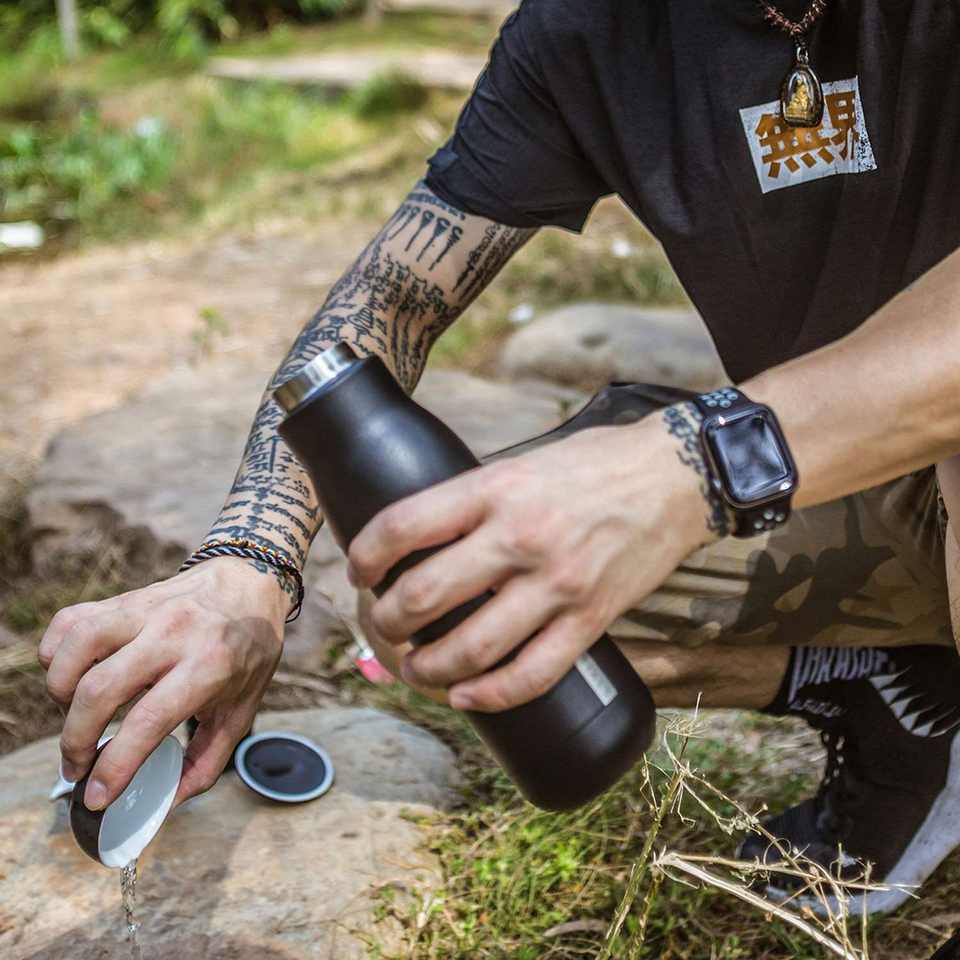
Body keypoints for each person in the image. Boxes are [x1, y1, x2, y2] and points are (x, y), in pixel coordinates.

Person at [39, 0, 960, 916]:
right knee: (439, 595)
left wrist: (683, 469)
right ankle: (888, 692)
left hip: (895, 440)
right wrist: (247, 568)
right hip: (837, 481)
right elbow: (389, 302)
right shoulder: (592, 31)